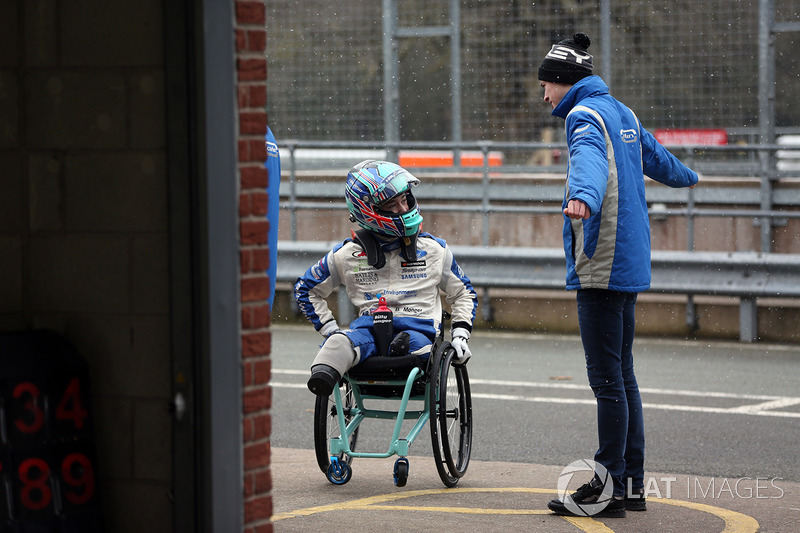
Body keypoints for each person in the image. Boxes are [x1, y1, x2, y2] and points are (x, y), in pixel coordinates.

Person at [537, 33, 699, 518]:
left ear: (564, 82)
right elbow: (655, 158)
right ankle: (630, 486)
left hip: (602, 261)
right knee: (624, 377)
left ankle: (606, 486)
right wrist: (688, 176)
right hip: (629, 259)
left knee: (607, 380)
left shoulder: (584, 118)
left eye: (546, 84)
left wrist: (582, 198)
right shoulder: (620, 112)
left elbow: (587, 164)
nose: (544, 95)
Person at [294, 160, 478, 397]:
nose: (403, 209)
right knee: (338, 343)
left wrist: (460, 334)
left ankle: (393, 351)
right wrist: (330, 330)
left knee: (414, 348)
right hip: (368, 332)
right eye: (392, 204)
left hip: (418, 333)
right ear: (367, 211)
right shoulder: (347, 255)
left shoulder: (435, 250)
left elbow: (464, 292)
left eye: (405, 199)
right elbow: (305, 289)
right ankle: (324, 378)